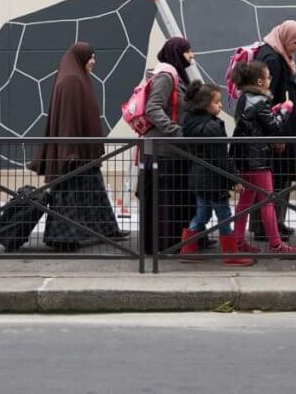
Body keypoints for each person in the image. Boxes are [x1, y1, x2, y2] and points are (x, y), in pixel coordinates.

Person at [29, 42, 127, 250]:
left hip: (82, 150)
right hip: (74, 153)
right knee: (68, 192)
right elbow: (68, 118)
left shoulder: (77, 78)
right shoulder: (72, 81)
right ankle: (63, 238)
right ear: (80, 57)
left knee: (92, 189)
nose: (94, 60)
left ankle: (106, 230)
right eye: (90, 56)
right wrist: (69, 150)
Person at [180, 81, 255, 266]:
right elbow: (222, 158)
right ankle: (230, 254)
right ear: (205, 104)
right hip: (213, 179)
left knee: (202, 214)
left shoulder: (189, 121)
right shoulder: (212, 127)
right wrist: (235, 179)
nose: (221, 105)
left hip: (198, 177)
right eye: (216, 102)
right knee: (224, 216)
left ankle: (187, 249)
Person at [231, 60, 296, 255]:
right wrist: (285, 110)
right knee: (267, 201)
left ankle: (237, 241)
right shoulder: (261, 101)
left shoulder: (244, 98)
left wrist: (274, 111)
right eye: (268, 76)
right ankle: (276, 244)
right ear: (260, 82)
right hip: (258, 159)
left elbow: (257, 123)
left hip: (243, 156)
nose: (271, 79)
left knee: (245, 200)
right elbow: (275, 128)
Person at [251, 20, 296, 241]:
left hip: (282, 130)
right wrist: (275, 134)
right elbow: (267, 99)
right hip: (277, 133)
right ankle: (267, 227)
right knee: (274, 179)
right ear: (286, 38)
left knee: (278, 178)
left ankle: (274, 224)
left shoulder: (277, 55)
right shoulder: (273, 59)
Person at [138, 37, 192, 254]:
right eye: (188, 52)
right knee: (166, 200)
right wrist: (175, 131)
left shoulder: (174, 75)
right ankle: (163, 244)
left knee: (175, 199)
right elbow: (153, 108)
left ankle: (175, 241)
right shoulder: (166, 76)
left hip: (172, 151)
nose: (191, 56)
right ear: (177, 54)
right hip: (164, 151)